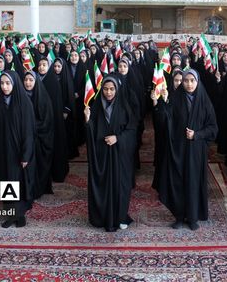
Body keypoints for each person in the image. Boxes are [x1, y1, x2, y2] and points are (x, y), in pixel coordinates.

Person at [153, 69, 218, 231]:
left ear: (197, 82)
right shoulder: (175, 99)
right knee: (178, 181)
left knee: (193, 182)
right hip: (179, 149)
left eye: (192, 81)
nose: (189, 84)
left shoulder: (204, 101)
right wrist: (161, 103)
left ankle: (193, 217)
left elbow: (213, 128)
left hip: (196, 151)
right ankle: (179, 216)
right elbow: (164, 123)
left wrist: (197, 134)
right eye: (186, 81)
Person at [0, 71, 36, 228]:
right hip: (2, 149)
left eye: (8, 83)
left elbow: (29, 132)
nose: (4, 87)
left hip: (18, 151)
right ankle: (12, 213)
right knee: (5, 181)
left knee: (17, 181)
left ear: (14, 83)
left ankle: (19, 214)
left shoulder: (24, 103)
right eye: (2, 83)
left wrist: (26, 155)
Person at [84, 75, 137, 232]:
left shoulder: (124, 107)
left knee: (120, 187)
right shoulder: (96, 108)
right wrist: (87, 121)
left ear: (117, 90)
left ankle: (120, 217)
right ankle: (102, 217)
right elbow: (92, 131)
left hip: (119, 155)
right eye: (106, 89)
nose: (108, 92)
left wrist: (118, 138)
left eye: (112, 89)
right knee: (103, 186)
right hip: (102, 155)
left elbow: (132, 131)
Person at [23, 70, 55, 198]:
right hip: (25, 138)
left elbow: (47, 121)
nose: (28, 83)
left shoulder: (43, 97)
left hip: (40, 138)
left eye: (31, 80)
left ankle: (39, 188)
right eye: (26, 80)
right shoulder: (20, 97)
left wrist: (31, 128)